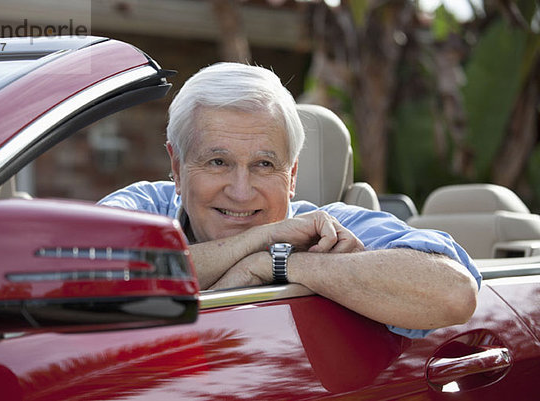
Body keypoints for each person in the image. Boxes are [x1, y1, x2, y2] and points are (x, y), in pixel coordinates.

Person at [99, 62, 481, 339]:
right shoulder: (143, 207)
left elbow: (453, 293)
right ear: (178, 167)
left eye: (264, 165)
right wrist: (256, 241)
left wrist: (278, 264)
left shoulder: (330, 226)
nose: (241, 190)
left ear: (293, 174)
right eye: (218, 162)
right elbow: (86, 279)